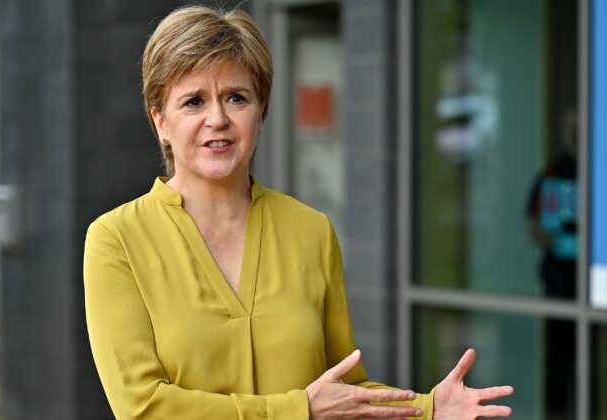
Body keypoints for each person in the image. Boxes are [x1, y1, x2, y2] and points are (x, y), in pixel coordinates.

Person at [84, 5, 514, 419]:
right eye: (194, 101)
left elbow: (343, 392)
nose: (217, 119)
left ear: (260, 112)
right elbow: (142, 408)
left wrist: (428, 409)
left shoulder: (311, 231)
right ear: (160, 121)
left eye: (237, 97)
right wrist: (298, 411)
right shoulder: (116, 240)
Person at [526, 109, 578, 419]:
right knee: (559, 360)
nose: (575, 134)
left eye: (580, 128)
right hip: (560, 281)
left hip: (597, 284)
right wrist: (559, 241)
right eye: (570, 128)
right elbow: (534, 228)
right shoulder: (552, 175)